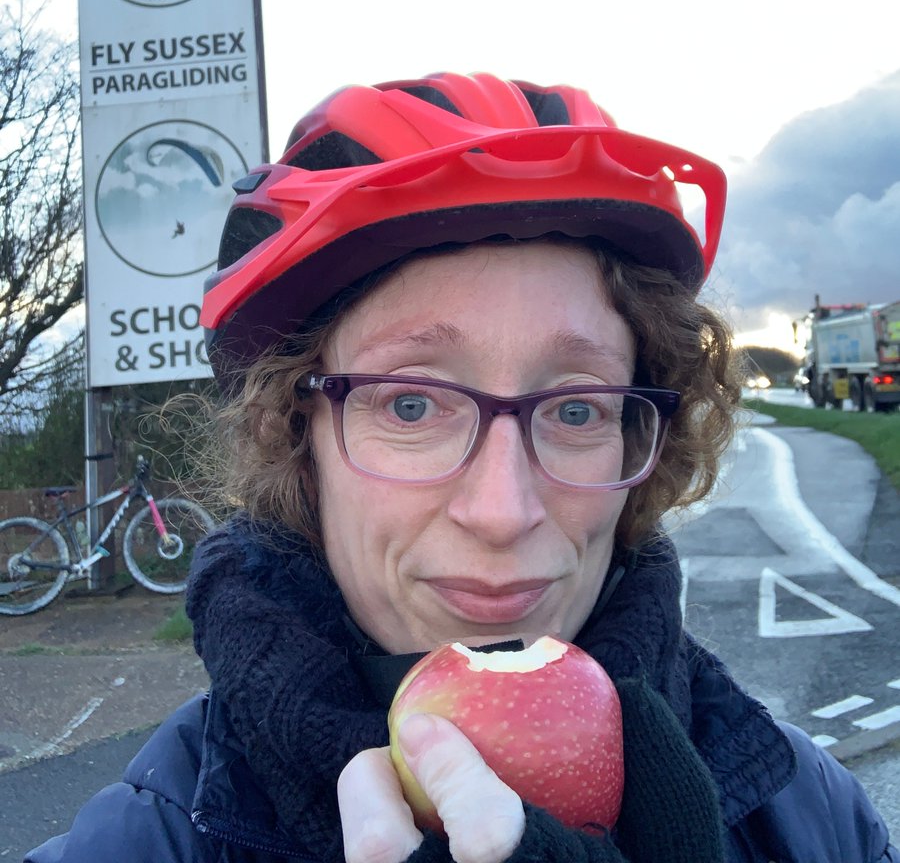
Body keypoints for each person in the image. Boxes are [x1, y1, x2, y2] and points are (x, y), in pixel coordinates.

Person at [27, 72, 897, 863]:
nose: (502, 510)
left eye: (576, 409)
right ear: (297, 438)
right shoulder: (156, 837)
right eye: (411, 405)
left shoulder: (814, 819)